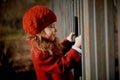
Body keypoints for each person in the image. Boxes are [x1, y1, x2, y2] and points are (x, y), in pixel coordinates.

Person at [22, 5, 82, 80]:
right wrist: (76, 48)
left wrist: (68, 41)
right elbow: (61, 65)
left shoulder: (44, 43)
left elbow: (56, 53)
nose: (55, 30)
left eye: (54, 26)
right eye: (51, 27)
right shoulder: (39, 53)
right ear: (39, 31)